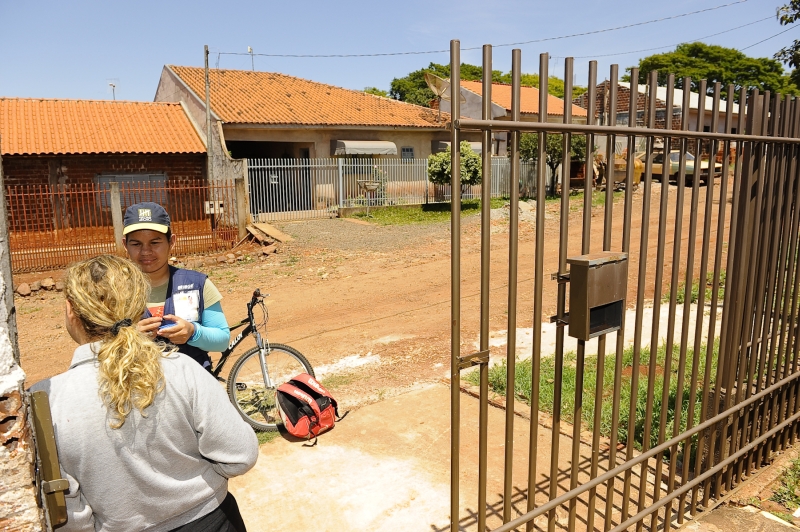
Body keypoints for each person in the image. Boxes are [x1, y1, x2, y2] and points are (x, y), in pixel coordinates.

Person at [30, 255, 258, 531]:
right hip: (214, 522)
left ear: (70, 310)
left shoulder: (45, 400)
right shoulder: (182, 369)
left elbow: (66, 512)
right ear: (140, 306)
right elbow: (240, 455)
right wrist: (206, 484)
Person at [122, 202, 230, 370]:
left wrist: (193, 332)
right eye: (136, 244)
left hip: (192, 389)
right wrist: (129, 337)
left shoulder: (198, 284)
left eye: (155, 242)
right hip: (138, 391)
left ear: (171, 242)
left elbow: (222, 340)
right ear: (125, 245)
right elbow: (97, 346)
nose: (145, 251)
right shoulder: (114, 292)